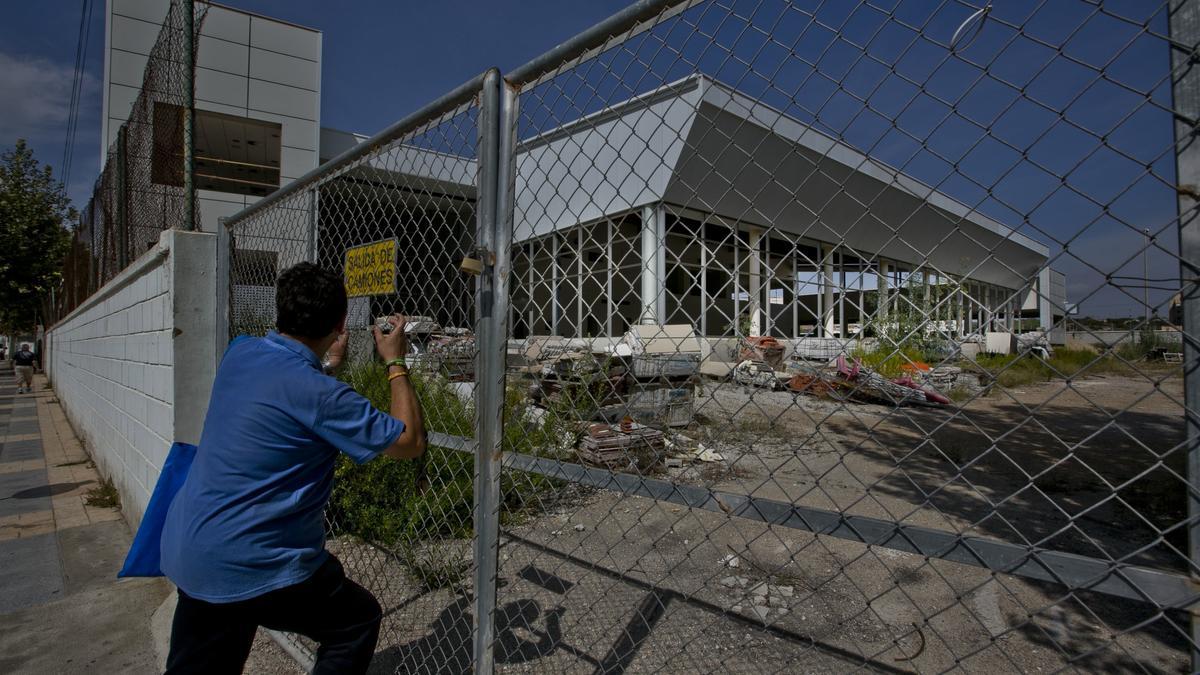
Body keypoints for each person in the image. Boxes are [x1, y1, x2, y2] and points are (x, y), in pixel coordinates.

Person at [160, 262, 427, 674]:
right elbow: (408, 442)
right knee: (354, 620)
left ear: (279, 311)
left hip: (192, 546)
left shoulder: (241, 352)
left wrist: (326, 366)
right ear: (340, 324)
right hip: (253, 560)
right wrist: (395, 362)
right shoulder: (324, 396)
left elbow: (287, 393)